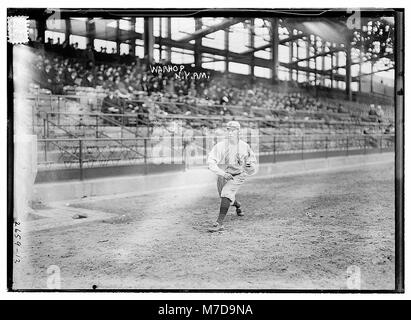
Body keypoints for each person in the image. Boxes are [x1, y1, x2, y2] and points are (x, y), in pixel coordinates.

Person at [207, 121, 258, 232]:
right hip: (223, 175)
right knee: (224, 197)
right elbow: (210, 162)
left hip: (238, 175)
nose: (230, 132)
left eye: (233, 130)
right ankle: (237, 205)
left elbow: (253, 163)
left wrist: (250, 166)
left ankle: (219, 223)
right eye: (228, 130)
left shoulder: (244, 146)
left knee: (226, 194)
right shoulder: (220, 146)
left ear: (239, 131)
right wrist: (222, 173)